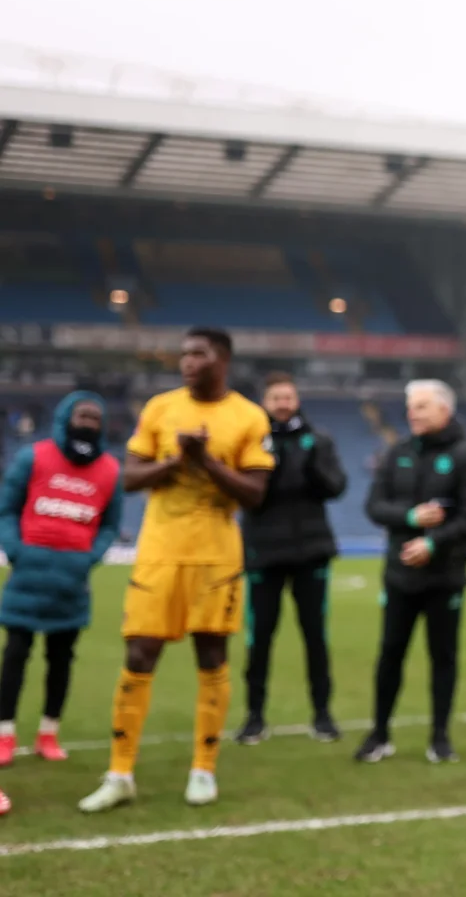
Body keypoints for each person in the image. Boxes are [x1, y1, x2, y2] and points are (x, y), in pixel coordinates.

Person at [79, 328, 274, 813]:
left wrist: (205, 460)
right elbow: (127, 477)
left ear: (221, 359)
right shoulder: (160, 408)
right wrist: (174, 461)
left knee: (211, 656)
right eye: (184, 354)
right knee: (139, 655)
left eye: (198, 354)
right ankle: (120, 771)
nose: (187, 362)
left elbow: (254, 493)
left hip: (216, 555)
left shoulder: (249, 416)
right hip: (159, 550)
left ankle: (203, 769)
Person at [357, 379, 466, 765]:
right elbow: (374, 506)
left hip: (445, 577)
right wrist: (410, 517)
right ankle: (379, 733)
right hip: (400, 577)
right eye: (411, 406)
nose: (413, 412)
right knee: (390, 654)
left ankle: (440, 737)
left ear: (445, 411)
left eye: (422, 406)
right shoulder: (396, 450)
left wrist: (434, 543)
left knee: (443, 657)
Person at [0, 392, 123, 767]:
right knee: (15, 656)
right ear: (65, 415)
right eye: (82, 414)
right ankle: (4, 736)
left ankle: (48, 734)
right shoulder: (33, 457)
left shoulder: (110, 470)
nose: (87, 421)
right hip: (28, 576)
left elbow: (110, 525)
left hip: (72, 582)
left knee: (61, 659)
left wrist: (90, 557)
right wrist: (17, 551)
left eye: (95, 417)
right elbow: (7, 508)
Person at [236, 372, 348, 745]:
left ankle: (322, 715)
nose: (283, 403)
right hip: (264, 553)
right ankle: (254, 717)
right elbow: (246, 496)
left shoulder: (319, 440)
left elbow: (336, 487)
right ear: (264, 402)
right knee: (260, 639)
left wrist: (313, 465)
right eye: (275, 398)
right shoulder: (250, 441)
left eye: (288, 397)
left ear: (296, 400)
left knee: (315, 637)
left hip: (310, 552)